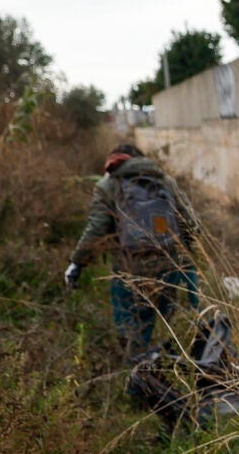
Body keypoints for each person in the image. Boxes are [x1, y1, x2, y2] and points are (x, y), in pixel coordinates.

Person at [65, 142, 201, 361]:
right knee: (174, 326)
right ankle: (175, 367)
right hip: (170, 266)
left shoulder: (108, 185)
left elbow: (96, 229)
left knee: (133, 330)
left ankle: (139, 372)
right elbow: (192, 224)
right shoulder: (165, 180)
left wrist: (77, 262)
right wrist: (186, 256)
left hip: (130, 269)